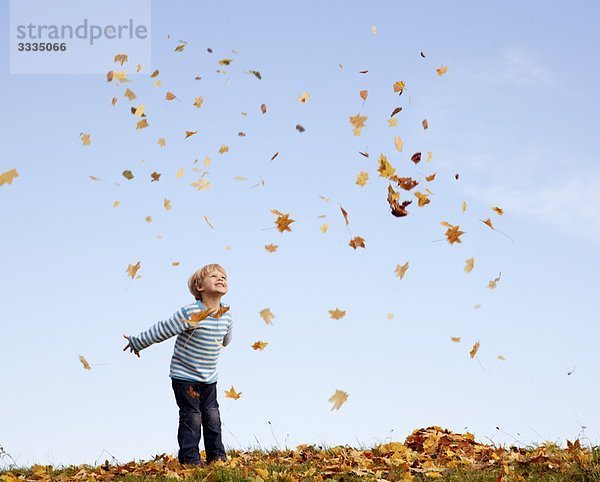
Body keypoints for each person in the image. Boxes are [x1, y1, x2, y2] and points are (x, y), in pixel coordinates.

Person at [123, 263, 232, 466]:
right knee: (193, 416)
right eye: (214, 276)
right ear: (199, 287)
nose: (221, 279)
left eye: (224, 277)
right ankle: (190, 458)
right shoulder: (191, 312)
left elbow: (226, 337)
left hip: (209, 377)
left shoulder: (226, 314)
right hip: (185, 376)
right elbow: (164, 328)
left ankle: (217, 457)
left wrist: (221, 340)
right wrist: (138, 341)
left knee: (212, 416)